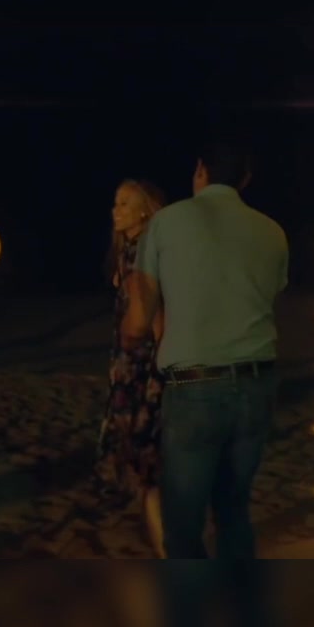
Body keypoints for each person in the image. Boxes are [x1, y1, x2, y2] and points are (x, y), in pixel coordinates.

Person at [121, 139, 288, 560]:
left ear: (200, 171)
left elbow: (139, 321)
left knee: (183, 520)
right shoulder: (272, 232)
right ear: (245, 179)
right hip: (256, 382)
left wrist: (131, 334)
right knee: (234, 509)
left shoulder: (167, 222)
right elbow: (267, 298)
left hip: (195, 386)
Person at [97, 178, 168, 558]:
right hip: (132, 363)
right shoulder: (131, 250)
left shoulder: (143, 252)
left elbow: (154, 316)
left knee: (144, 463)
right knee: (142, 463)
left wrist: (143, 350)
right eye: (115, 202)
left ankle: (166, 548)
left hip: (141, 365)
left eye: (125, 203)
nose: (116, 210)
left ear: (145, 211)